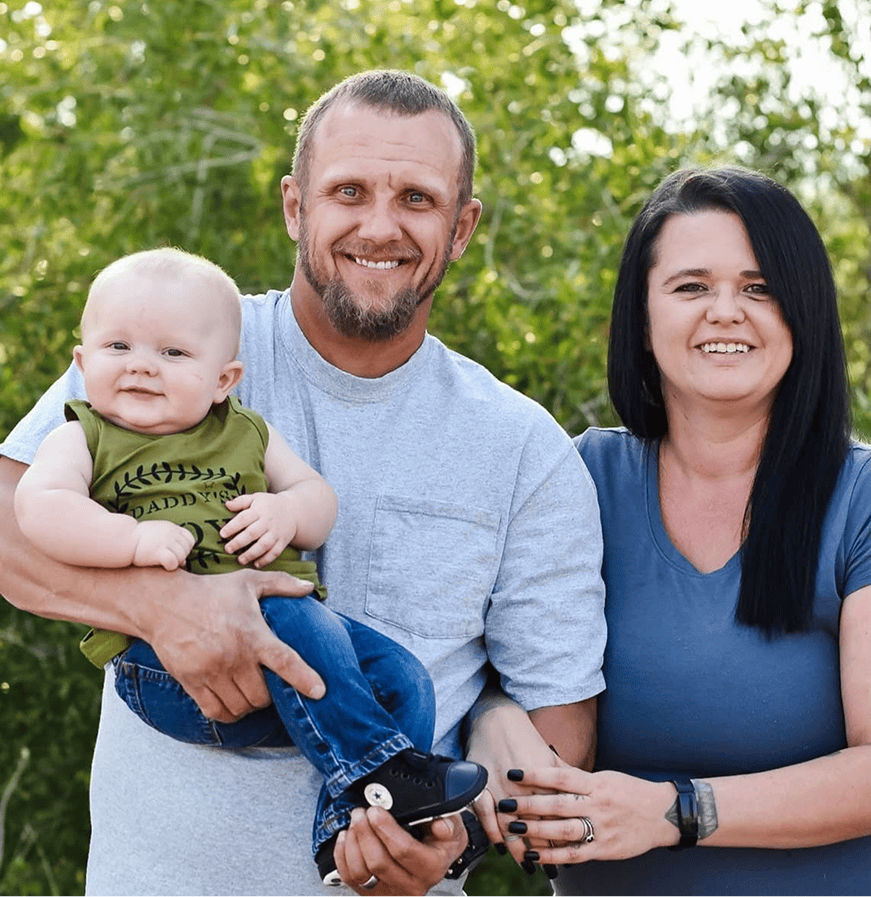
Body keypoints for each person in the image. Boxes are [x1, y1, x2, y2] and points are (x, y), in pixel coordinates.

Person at [0, 70, 607, 896]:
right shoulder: (172, 345)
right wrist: (157, 605)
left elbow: (557, 725)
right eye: (348, 190)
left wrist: (455, 839)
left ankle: (373, 789)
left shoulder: (524, 447)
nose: (379, 225)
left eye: (417, 200)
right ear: (295, 206)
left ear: (462, 227)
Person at [12, 246, 489, 887]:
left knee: (405, 678)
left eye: (173, 354)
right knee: (302, 621)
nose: (141, 368)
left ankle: (345, 829)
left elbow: (319, 502)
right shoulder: (86, 436)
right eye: (116, 347)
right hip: (163, 671)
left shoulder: (248, 433)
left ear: (223, 380)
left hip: (286, 638)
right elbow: (37, 510)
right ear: (81, 363)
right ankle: (384, 773)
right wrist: (128, 540)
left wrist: (286, 514)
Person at [487, 167, 871, 896]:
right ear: (640, 315)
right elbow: (492, 680)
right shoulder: (578, 479)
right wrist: (495, 722)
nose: (725, 311)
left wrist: (677, 810)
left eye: (758, 287)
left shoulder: (859, 498)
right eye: (690, 286)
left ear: (805, 311)